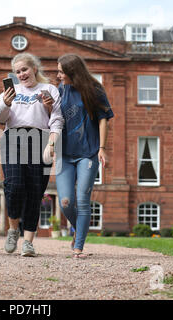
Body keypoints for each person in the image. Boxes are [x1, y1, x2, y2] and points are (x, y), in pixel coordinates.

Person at [0, 52, 64, 257]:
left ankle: (28, 242)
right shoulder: (10, 90)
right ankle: (13, 229)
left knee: (35, 191)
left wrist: (52, 142)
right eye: (17, 72)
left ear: (34, 68)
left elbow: (57, 118)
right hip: (13, 138)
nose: (22, 74)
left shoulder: (49, 89)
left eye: (24, 69)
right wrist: (5, 103)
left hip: (40, 138)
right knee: (14, 186)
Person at [56, 53, 114, 259]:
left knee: (82, 200)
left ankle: (78, 246)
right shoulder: (60, 90)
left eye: (61, 72)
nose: (58, 75)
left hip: (88, 153)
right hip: (64, 153)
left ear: (73, 72)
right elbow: (54, 118)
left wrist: (102, 147)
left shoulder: (95, 89)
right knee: (65, 202)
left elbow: (103, 119)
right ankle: (79, 229)